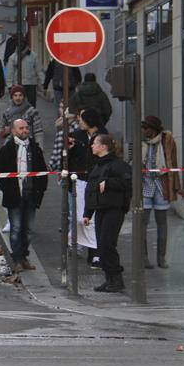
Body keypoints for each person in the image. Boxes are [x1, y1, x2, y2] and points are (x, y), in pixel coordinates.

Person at [0, 119, 48, 273]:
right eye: (21, 128)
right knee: (16, 228)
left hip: (31, 195)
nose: (25, 130)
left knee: (28, 229)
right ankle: (16, 259)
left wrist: (41, 189)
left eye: (26, 128)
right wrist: (8, 189)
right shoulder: (7, 149)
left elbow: (42, 171)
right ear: (14, 131)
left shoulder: (34, 149)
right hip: (15, 196)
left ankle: (24, 256)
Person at [83, 134, 133, 293]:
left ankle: (116, 279)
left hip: (113, 209)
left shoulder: (118, 165)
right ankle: (110, 278)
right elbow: (90, 191)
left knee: (107, 244)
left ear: (103, 146)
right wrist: (87, 213)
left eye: (95, 143)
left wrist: (109, 183)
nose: (91, 146)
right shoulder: (97, 166)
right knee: (102, 245)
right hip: (100, 210)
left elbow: (129, 183)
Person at [141, 115, 184, 269]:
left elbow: (173, 164)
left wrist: (177, 187)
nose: (143, 131)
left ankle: (161, 258)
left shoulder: (167, 141)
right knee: (142, 224)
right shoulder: (141, 142)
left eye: (146, 128)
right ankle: (144, 258)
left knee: (162, 223)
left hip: (162, 185)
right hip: (145, 185)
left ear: (154, 129)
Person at [67, 108, 109, 267]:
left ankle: (95, 252)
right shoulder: (76, 136)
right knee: (80, 217)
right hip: (79, 180)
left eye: (82, 119)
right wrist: (69, 151)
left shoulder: (103, 135)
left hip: (96, 181)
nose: (79, 122)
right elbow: (67, 158)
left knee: (94, 217)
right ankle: (79, 242)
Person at [7, 43, 43, 108]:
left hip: (31, 84)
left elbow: (39, 70)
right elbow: (10, 72)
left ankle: (31, 117)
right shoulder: (13, 57)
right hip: (18, 84)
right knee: (18, 104)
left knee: (31, 105)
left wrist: (43, 82)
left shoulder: (33, 56)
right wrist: (10, 85)